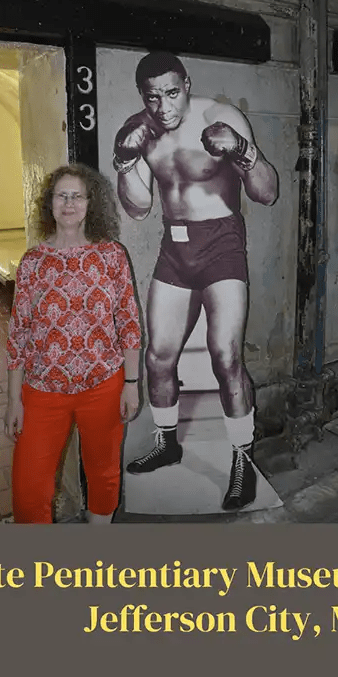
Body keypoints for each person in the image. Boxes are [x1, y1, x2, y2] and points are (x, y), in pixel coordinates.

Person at [113, 51, 279, 510]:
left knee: (226, 357)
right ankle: (168, 442)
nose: (163, 107)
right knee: (158, 356)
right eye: (152, 98)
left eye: (171, 93)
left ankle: (242, 459)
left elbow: (267, 193)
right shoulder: (140, 129)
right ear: (142, 97)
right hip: (174, 249)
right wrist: (125, 164)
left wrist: (244, 152)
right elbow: (139, 207)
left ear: (186, 83)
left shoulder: (221, 116)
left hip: (223, 244)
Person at [4, 163, 142, 524]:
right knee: (28, 487)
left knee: (104, 473)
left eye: (76, 196)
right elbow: (18, 333)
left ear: (90, 203)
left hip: (104, 385)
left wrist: (131, 383)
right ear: (49, 204)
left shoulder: (112, 255)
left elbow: (128, 322)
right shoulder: (33, 262)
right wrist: (13, 398)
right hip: (43, 390)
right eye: (60, 195)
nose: (68, 203)